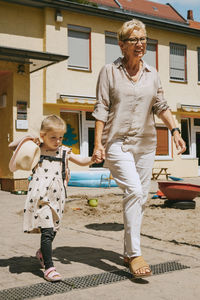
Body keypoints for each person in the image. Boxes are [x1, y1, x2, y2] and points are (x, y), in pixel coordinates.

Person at [92, 19, 186, 278]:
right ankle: (135, 254)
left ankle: (126, 250)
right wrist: (98, 143)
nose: (140, 44)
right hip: (118, 143)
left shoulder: (152, 74)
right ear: (121, 44)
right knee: (134, 190)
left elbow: (161, 105)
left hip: (145, 144)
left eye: (143, 39)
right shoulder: (109, 72)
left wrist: (175, 131)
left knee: (140, 198)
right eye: (134, 40)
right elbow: (101, 109)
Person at [10, 115, 96, 282]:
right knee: (47, 231)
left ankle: (42, 253)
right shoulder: (35, 149)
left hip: (57, 198)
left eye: (60, 137)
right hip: (40, 197)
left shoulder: (64, 151)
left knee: (53, 229)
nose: (57, 141)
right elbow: (12, 146)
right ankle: (49, 267)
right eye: (53, 137)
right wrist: (28, 138)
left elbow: (82, 161)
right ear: (43, 135)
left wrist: (93, 158)